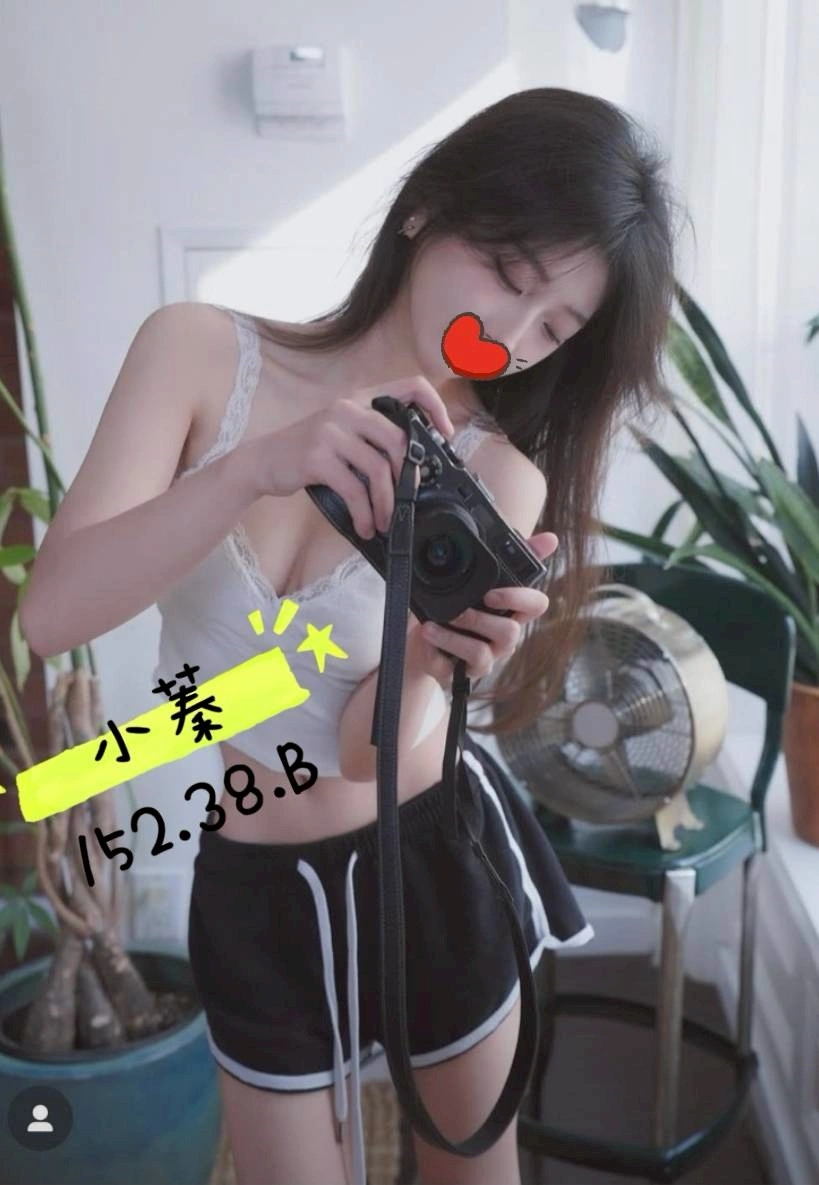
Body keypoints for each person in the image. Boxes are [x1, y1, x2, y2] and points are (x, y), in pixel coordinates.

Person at [21, 87, 683, 1185]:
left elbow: (362, 751)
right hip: (251, 880)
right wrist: (253, 468)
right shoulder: (196, 354)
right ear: (427, 209)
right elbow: (52, 617)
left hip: (428, 861)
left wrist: (435, 661)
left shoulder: (498, 476)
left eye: (555, 329)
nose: (509, 337)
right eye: (508, 273)